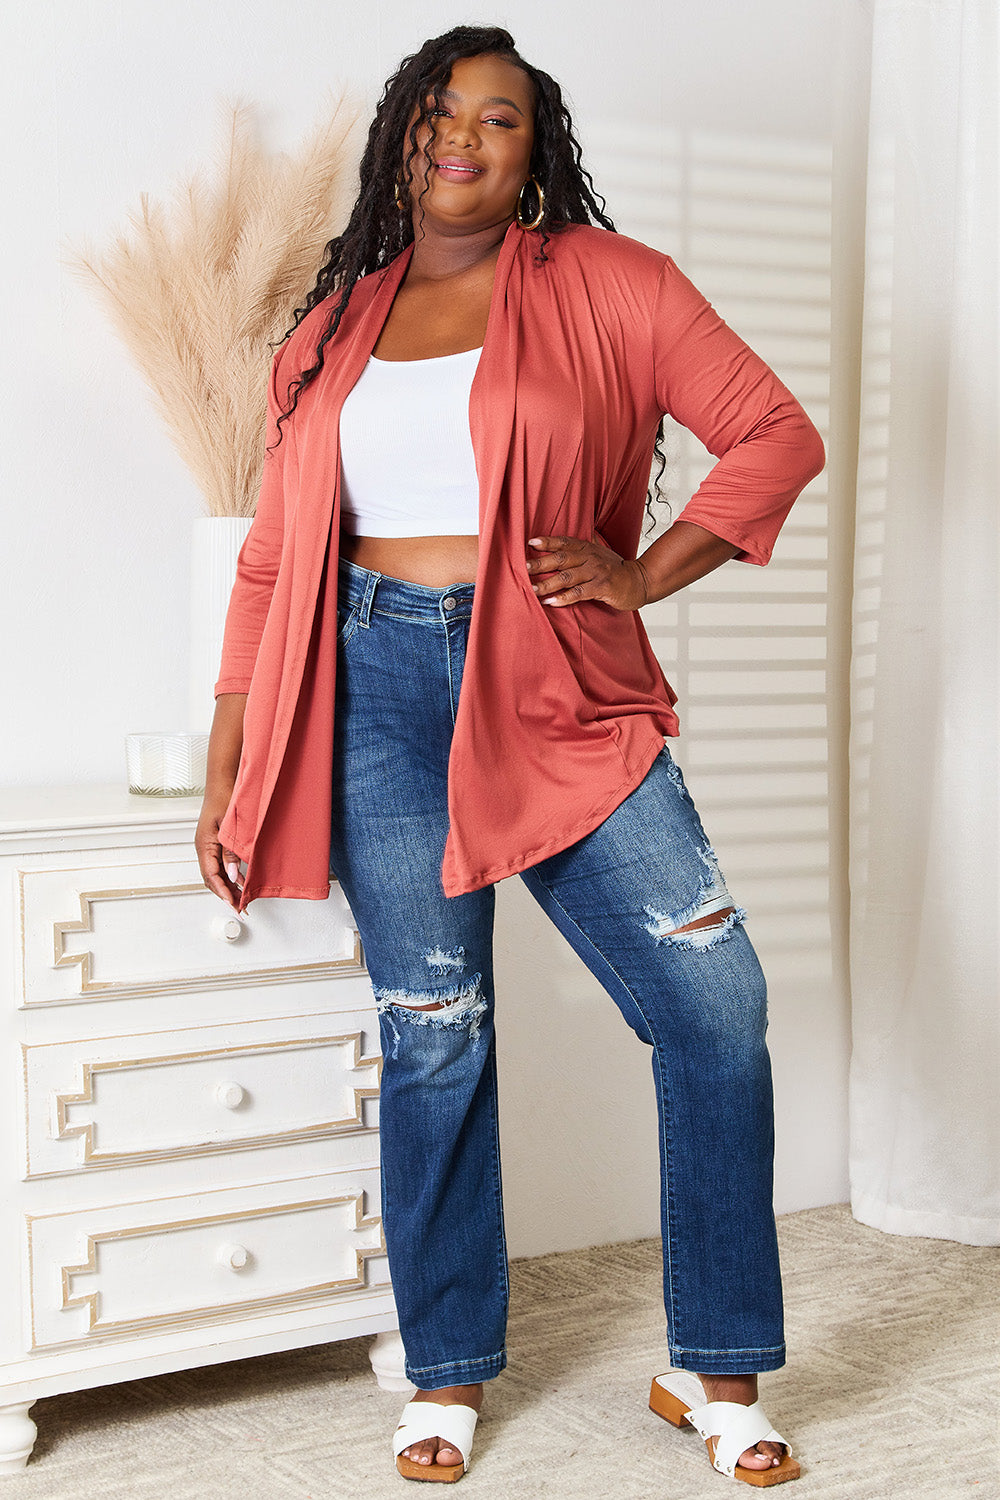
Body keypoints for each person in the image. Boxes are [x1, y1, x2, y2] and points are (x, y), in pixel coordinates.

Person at [195, 23, 824, 1488]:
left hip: (555, 680)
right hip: (370, 694)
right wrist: (232, 753)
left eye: (501, 119)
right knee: (435, 1033)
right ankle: (448, 1373)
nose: (466, 136)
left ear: (535, 153)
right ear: (402, 136)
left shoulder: (614, 284)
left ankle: (715, 1370)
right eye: (441, 112)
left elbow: (770, 435)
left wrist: (642, 572)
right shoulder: (328, 326)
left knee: (714, 1003)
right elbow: (277, 566)